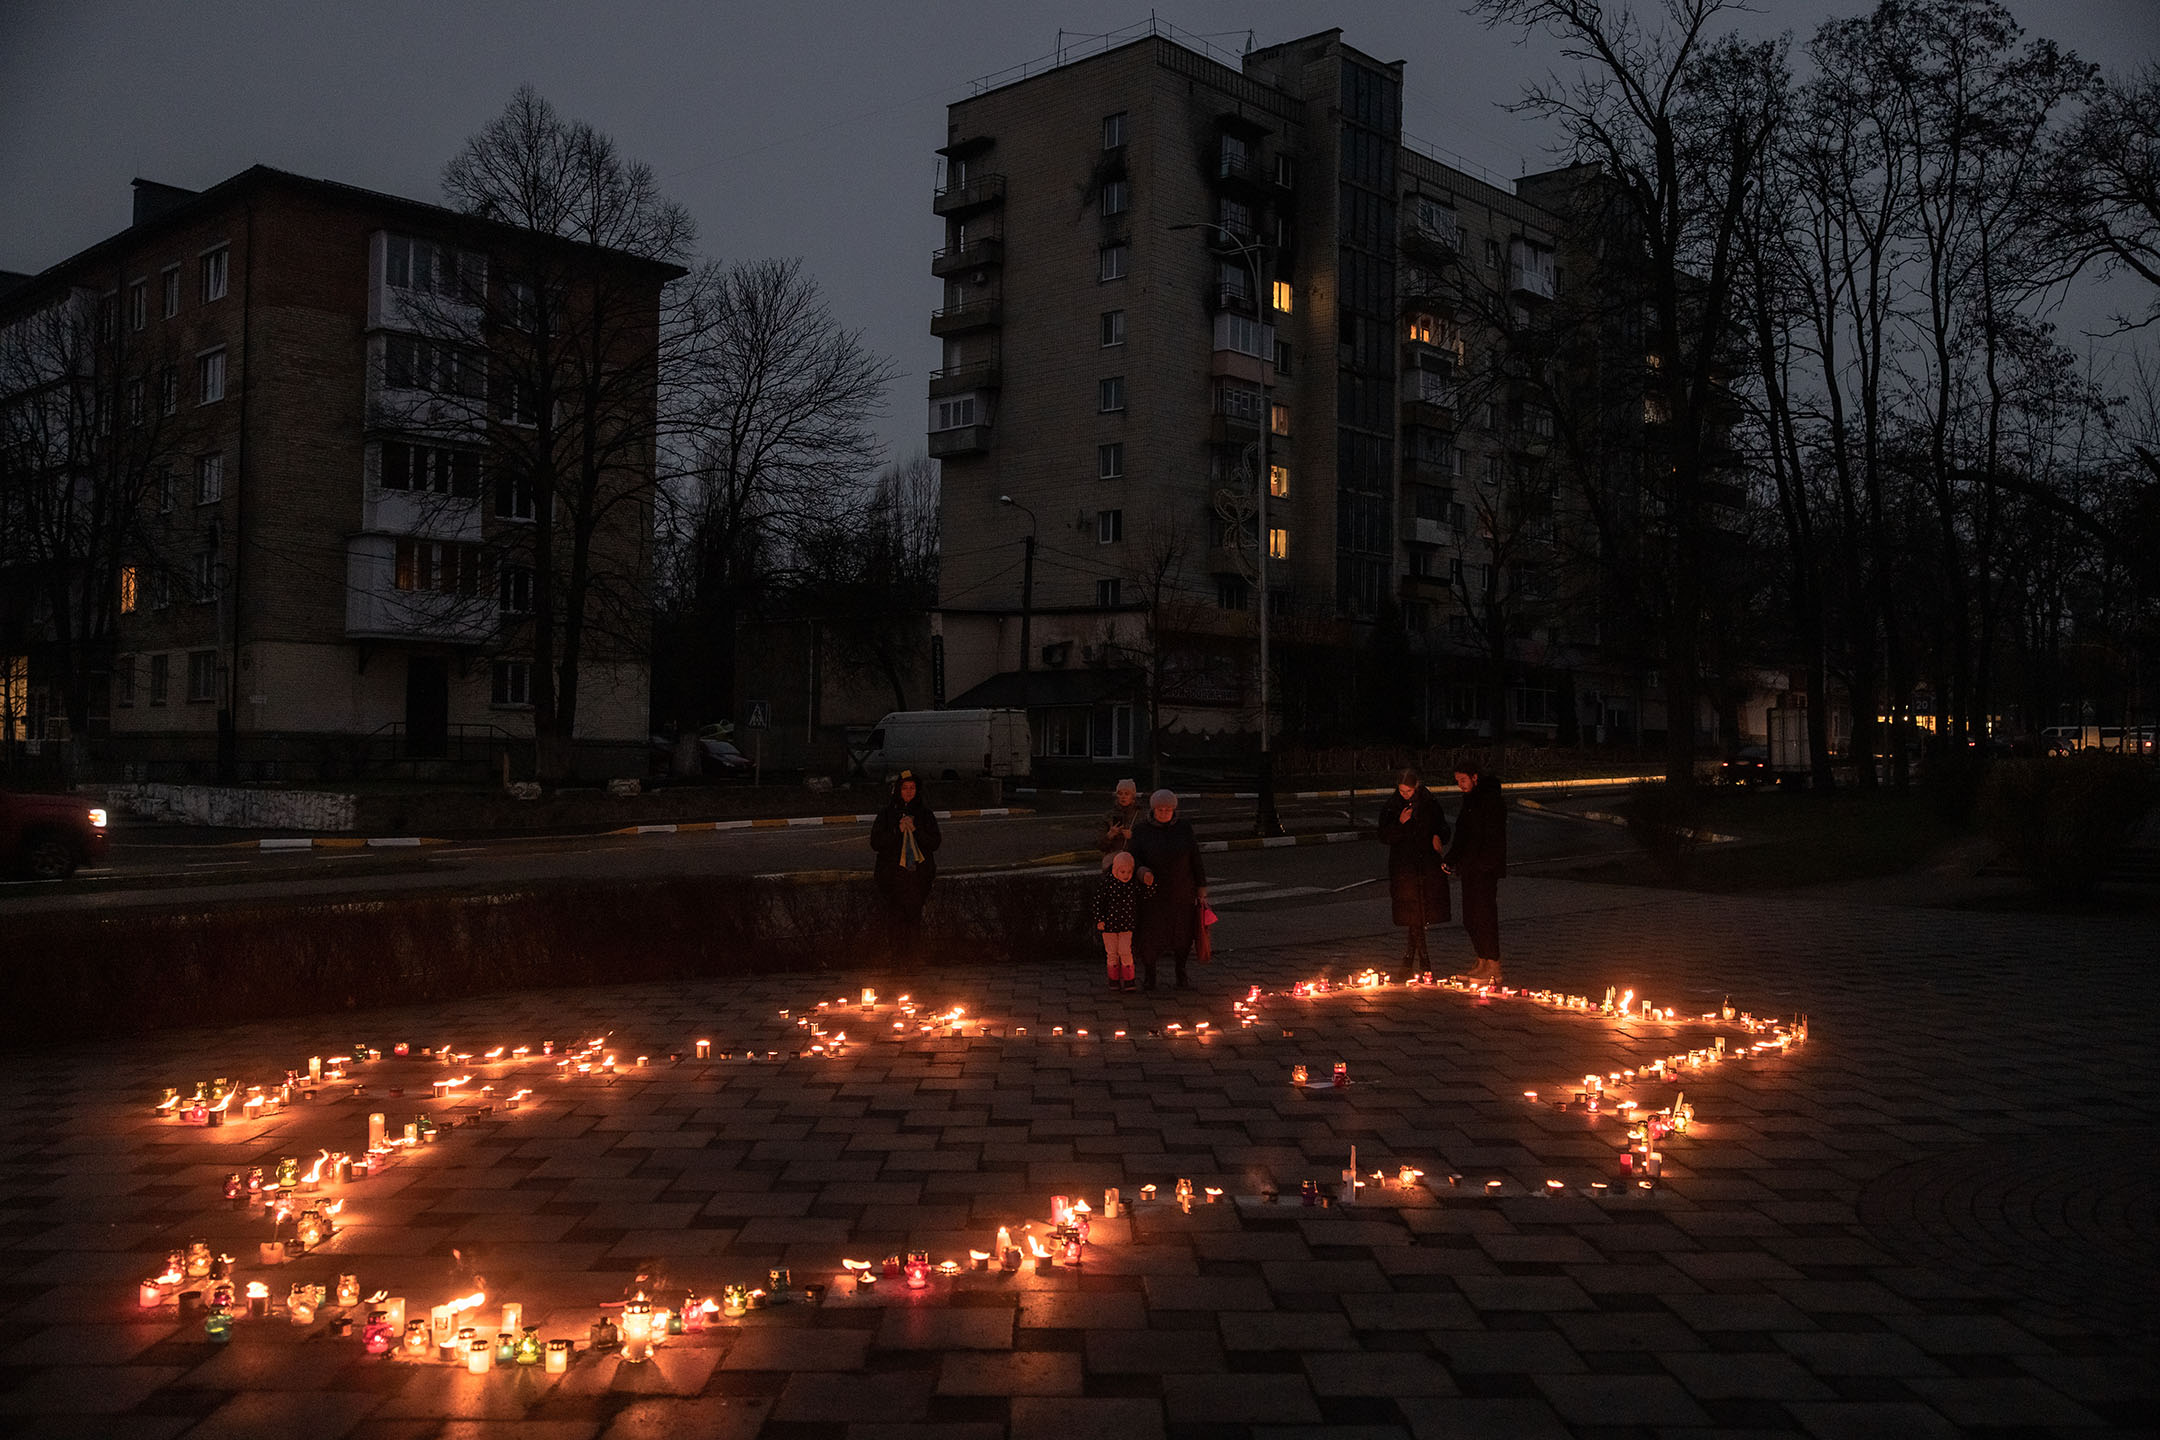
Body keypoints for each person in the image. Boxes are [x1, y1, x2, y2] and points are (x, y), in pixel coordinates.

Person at [1129, 788, 1208, 990]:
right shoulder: (1141, 831)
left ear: (1174, 810)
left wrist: (1201, 887)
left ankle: (1181, 972)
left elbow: (1195, 858)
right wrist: (1142, 871)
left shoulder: (1183, 829)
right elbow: (1133, 857)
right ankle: (1150, 975)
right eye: (1160, 809)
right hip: (1152, 893)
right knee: (1151, 936)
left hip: (1181, 891)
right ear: (1153, 810)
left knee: (1182, 935)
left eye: (1168, 809)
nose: (1164, 813)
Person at [1377, 767, 1450, 968]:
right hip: (1404, 866)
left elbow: (1443, 826)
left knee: (1420, 911)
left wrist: (1439, 836)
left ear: (1416, 785)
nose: (1405, 795)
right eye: (1401, 791)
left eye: (1408, 791)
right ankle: (1422, 958)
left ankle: (1410, 957)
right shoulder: (1393, 806)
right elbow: (1384, 835)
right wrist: (1400, 824)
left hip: (1426, 864)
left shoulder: (1429, 803)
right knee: (1413, 911)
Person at [1442, 761, 1506, 985]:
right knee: (1470, 918)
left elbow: (1493, 836)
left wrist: (1484, 864)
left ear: (1475, 777)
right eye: (1457, 781)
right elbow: (1463, 835)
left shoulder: (1490, 800)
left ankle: (1494, 965)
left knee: (1484, 916)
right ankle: (1481, 961)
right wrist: (1450, 859)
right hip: (1469, 868)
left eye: (1463, 780)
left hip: (1484, 870)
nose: (1460, 785)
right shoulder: (1469, 801)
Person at [869, 770, 941, 957]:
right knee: (894, 919)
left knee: (913, 918)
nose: (909, 792)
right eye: (905, 788)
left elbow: (934, 843)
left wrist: (915, 830)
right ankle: (896, 958)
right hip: (893, 877)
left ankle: (913, 957)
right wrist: (897, 830)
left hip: (917, 877)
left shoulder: (925, 815)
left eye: (912, 788)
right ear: (898, 790)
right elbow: (876, 843)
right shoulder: (886, 814)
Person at [1093, 849, 1143, 991]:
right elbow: (1098, 902)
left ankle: (1129, 979)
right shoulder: (1107, 884)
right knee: (1112, 953)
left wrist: (1150, 884)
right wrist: (1100, 919)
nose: (1126, 876)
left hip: (1126, 925)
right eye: (1122, 872)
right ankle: (1113, 979)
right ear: (1115, 870)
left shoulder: (1132, 885)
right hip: (1109, 926)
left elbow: (1142, 895)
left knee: (1125, 951)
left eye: (1129, 872)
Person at [1099, 778, 1142, 867]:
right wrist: (1109, 836)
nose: (1123, 797)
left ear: (1133, 796)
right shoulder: (1108, 816)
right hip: (1114, 860)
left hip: (1135, 860)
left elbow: (1148, 842)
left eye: (1127, 794)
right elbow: (1100, 845)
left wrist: (1133, 837)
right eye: (1120, 793)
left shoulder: (1140, 816)